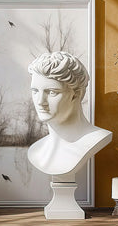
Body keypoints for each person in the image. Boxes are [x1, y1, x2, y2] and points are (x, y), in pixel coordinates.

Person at [27, 51, 112, 180]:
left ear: (77, 94)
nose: (40, 101)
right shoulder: (36, 151)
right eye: (35, 91)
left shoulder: (95, 139)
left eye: (51, 92)